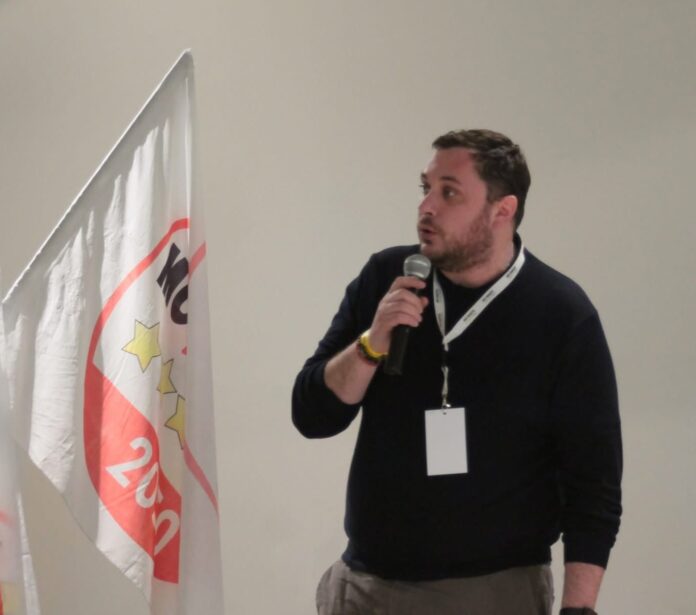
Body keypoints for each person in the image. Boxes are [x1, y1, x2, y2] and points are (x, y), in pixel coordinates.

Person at [292, 129, 622, 615]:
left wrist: (578, 609)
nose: (426, 206)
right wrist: (371, 344)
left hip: (491, 591)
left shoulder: (560, 314)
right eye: (425, 188)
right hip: (363, 585)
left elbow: (594, 483)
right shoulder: (388, 278)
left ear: (502, 210)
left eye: (449, 193)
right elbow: (312, 416)